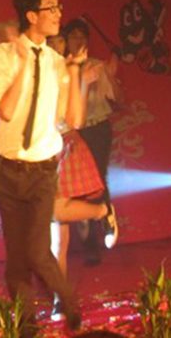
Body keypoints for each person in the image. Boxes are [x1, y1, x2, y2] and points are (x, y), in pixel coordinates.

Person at [0, 0, 86, 336]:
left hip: (43, 172)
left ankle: (70, 304)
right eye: (51, 7)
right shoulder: (2, 54)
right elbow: (7, 110)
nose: (59, 13)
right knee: (16, 261)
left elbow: (74, 119)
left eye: (59, 6)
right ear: (31, 15)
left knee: (37, 251)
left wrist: (74, 74)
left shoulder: (58, 63)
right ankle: (27, 328)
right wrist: (24, 62)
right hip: (9, 171)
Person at [47, 33, 118, 320]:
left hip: (65, 148)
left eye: (58, 42)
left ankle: (101, 211)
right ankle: (60, 298)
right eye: (50, 43)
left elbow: (75, 117)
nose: (55, 47)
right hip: (41, 154)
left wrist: (83, 81)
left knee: (56, 218)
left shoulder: (69, 70)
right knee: (57, 239)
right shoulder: (34, 71)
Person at [64, 18, 122, 264]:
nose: (79, 41)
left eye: (83, 36)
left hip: (97, 128)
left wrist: (112, 76)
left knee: (97, 179)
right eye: (74, 36)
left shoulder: (96, 66)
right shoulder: (59, 68)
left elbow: (117, 100)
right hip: (71, 133)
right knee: (75, 187)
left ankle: (105, 220)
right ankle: (87, 239)